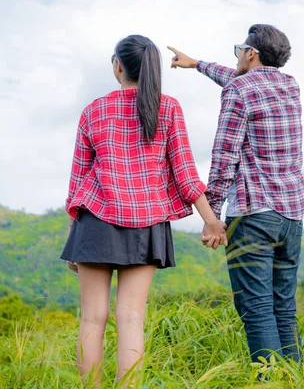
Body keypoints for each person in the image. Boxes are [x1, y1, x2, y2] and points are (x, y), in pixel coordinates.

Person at [61, 34, 227, 388]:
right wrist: (210, 220)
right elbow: (185, 174)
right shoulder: (167, 108)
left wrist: (73, 238)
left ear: (118, 66)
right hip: (146, 222)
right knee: (132, 318)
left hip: (94, 222)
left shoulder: (93, 110)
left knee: (92, 319)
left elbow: (78, 183)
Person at [167, 24, 304, 364]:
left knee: (256, 308)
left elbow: (224, 156)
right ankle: (298, 379)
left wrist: (211, 216)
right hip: (292, 216)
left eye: (238, 50)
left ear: (251, 53)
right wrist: (196, 63)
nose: (237, 57)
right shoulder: (289, 86)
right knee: (283, 307)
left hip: (253, 215)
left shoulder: (240, 91)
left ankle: (271, 383)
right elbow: (238, 78)